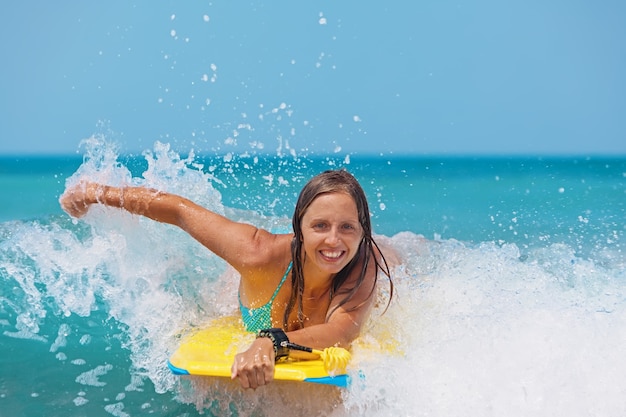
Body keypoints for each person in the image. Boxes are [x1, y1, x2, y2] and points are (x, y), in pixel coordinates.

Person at [60, 169, 392, 389]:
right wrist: (95, 193)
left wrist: (268, 342)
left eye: (347, 227)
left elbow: (339, 333)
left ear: (363, 231)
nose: (334, 240)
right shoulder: (256, 253)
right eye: (320, 226)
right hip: (255, 296)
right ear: (299, 228)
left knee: (396, 252)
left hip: (285, 320)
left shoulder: (364, 265)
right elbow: (178, 210)